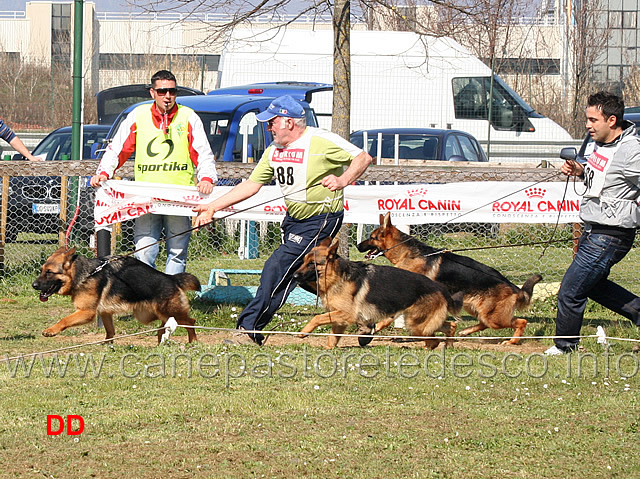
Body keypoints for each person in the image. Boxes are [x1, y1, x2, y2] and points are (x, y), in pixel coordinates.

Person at [194, 95, 373, 345]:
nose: (268, 128)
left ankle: (249, 330)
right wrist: (212, 207)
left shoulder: (321, 140)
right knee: (306, 275)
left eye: (272, 122)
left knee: (277, 266)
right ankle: (363, 313)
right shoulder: (274, 151)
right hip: (293, 221)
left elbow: (363, 158)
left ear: (289, 122)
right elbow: (252, 185)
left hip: (321, 218)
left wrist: (343, 181)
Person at [90, 70, 217, 274]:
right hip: (145, 197)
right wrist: (104, 172)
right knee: (144, 251)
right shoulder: (138, 116)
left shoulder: (188, 117)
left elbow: (203, 152)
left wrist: (207, 178)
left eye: (172, 91)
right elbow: (118, 148)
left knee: (177, 251)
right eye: (162, 91)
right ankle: (147, 299)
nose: (167, 96)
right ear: (152, 93)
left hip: (179, 197)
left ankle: (171, 299)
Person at [545, 91, 640, 355]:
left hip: (611, 234)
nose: (587, 125)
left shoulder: (631, 151)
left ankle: (566, 346)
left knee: (571, 290)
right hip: (594, 230)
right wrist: (580, 171)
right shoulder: (604, 144)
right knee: (593, 286)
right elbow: (607, 178)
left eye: (592, 119)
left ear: (611, 120)